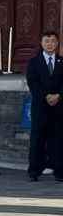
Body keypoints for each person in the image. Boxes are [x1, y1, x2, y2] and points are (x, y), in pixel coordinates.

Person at [25, 31, 63, 181]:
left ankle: (59, 171)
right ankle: (34, 170)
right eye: (47, 41)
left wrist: (59, 96)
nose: (50, 44)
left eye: (53, 41)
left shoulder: (62, 61)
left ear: (57, 43)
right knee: (37, 139)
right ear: (41, 43)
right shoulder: (34, 62)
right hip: (40, 107)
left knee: (58, 139)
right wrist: (45, 96)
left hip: (59, 107)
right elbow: (32, 82)